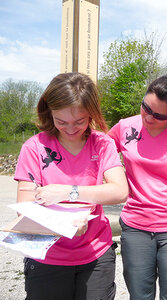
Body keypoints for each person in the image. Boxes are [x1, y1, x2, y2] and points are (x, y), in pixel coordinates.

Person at [14, 72, 129, 300]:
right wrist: (62, 226)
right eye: (61, 121)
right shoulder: (34, 147)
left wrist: (68, 192)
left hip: (95, 253)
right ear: (49, 112)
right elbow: (24, 208)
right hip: (47, 256)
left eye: (79, 121)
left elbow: (120, 190)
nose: (70, 129)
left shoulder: (102, 143)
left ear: (92, 114)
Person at [108, 73, 167, 300]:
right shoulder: (124, 128)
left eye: (159, 115)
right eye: (145, 108)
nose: (149, 118)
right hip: (136, 226)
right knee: (140, 295)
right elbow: (99, 154)